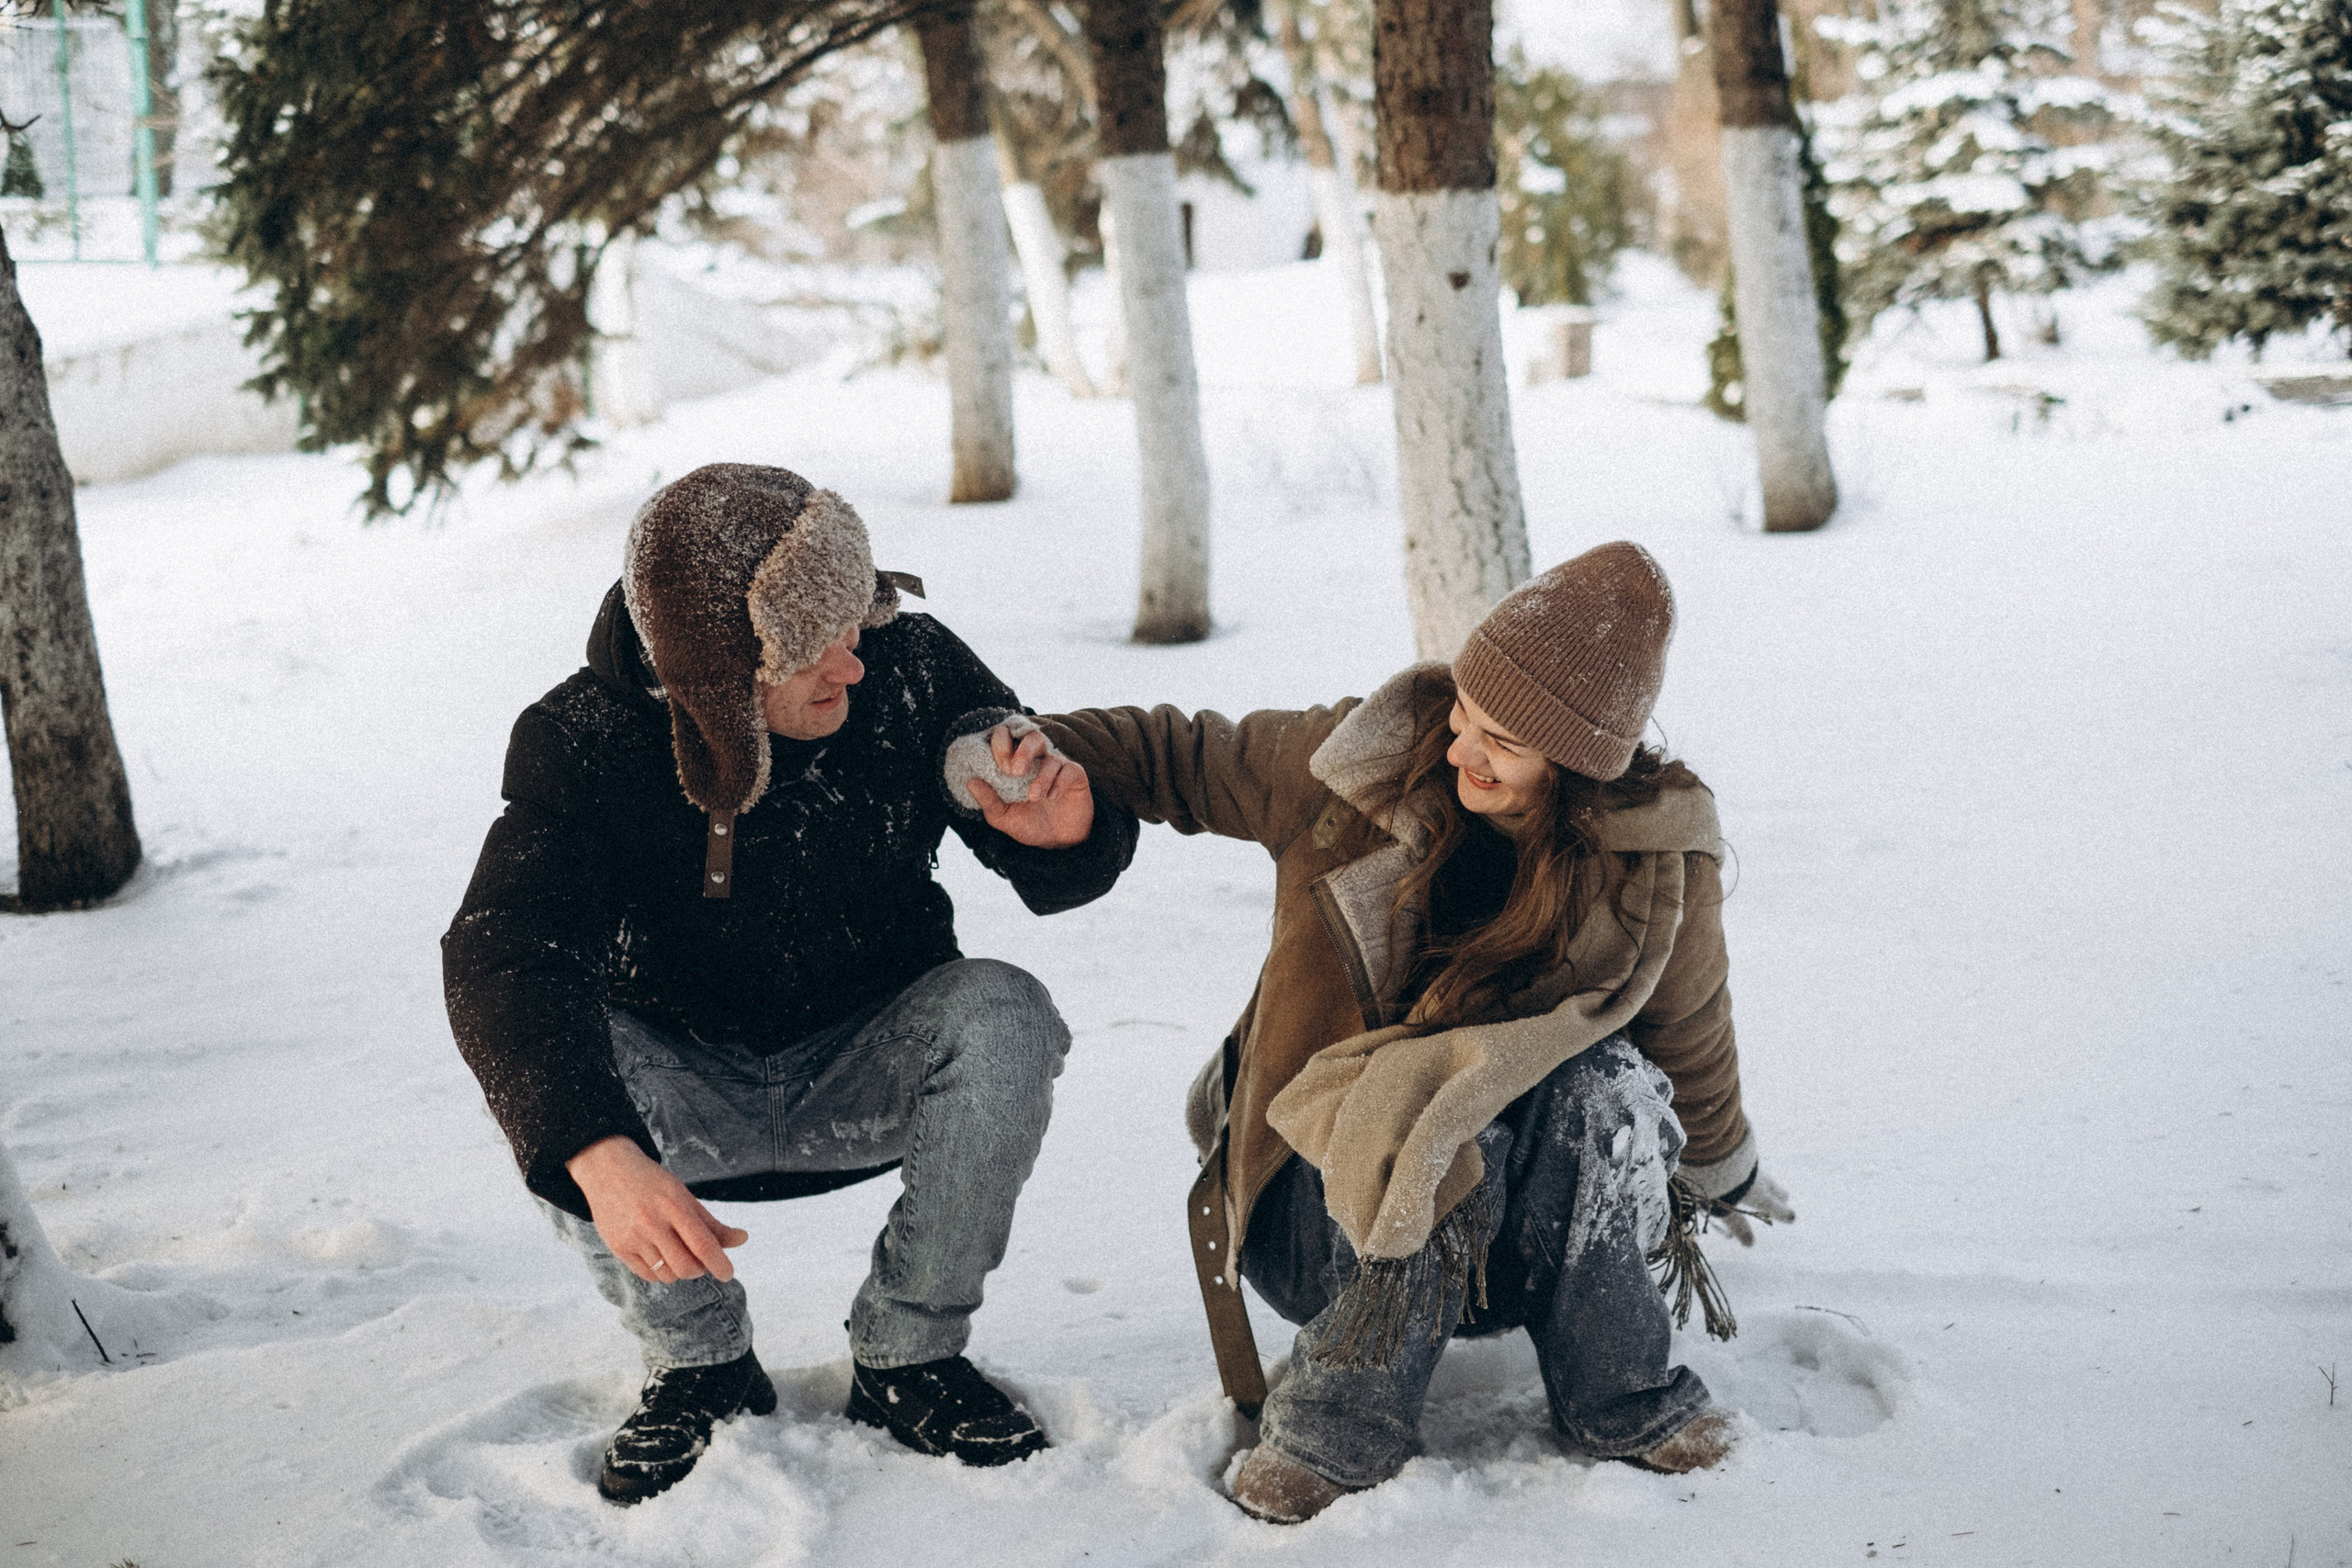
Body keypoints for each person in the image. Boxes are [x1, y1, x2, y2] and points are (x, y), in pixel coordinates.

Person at [956, 542, 1794, 1523]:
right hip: (1316, 1219)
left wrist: (1722, 1168)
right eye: (1464, 717)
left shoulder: (1653, 861)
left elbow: (1688, 1032)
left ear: (1577, 769)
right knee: (1440, 1095)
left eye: (1504, 744)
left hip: (1528, 1249)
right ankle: (1338, 1427)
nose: (1461, 752)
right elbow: (1178, 753)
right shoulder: (1350, 770)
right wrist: (1035, 752)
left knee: (1603, 1084)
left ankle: (1621, 1397)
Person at [443, 463, 1127, 1505]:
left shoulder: (903, 667)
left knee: (1004, 1009)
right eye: (817, 650)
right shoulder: (578, 739)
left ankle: (908, 1358)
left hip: (870, 1063)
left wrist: (1063, 827)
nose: (855, 664)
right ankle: (700, 1366)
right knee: (547, 1057)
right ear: (722, 670)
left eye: (859, 625)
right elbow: (500, 952)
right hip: (676, 1102)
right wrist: (595, 1148)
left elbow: (1015, 790)